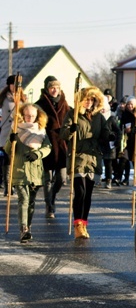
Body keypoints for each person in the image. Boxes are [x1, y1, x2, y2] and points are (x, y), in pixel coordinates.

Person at [60, 87, 111, 239]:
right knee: (80, 191)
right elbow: (63, 134)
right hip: (78, 156)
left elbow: (104, 132)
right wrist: (71, 130)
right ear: (80, 101)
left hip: (93, 158)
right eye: (86, 99)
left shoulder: (99, 117)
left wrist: (110, 136)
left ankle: (84, 223)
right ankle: (77, 224)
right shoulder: (73, 114)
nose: (89, 102)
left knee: (88, 193)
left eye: (91, 99)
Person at [5, 103, 51, 242]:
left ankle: (28, 227)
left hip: (35, 170)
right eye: (27, 115)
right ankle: (23, 228)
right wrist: (11, 141)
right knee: (23, 199)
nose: (30, 118)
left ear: (37, 116)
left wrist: (38, 154)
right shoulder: (16, 129)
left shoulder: (41, 131)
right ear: (23, 115)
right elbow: (8, 150)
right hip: (20, 169)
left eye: (32, 116)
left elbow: (48, 147)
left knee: (31, 201)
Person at [35, 75, 70, 218]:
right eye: (52, 87)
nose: (55, 90)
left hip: (61, 145)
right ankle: (49, 206)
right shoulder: (39, 105)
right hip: (47, 144)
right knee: (47, 179)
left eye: (57, 87)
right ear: (47, 89)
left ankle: (52, 197)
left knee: (61, 178)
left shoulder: (65, 104)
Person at [0, 75, 26, 197]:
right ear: (9, 85)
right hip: (5, 134)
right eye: (12, 85)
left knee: (16, 161)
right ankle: (8, 187)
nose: (14, 87)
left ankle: (14, 185)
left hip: (19, 134)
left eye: (16, 85)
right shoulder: (3, 99)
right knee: (7, 162)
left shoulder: (23, 100)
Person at [99, 97, 120, 189]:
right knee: (97, 162)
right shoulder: (97, 117)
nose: (102, 110)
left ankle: (108, 180)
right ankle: (97, 178)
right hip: (99, 143)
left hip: (109, 144)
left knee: (108, 164)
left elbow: (118, 131)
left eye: (104, 107)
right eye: (101, 108)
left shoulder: (111, 118)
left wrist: (115, 140)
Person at [116, 96, 136, 186]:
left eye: (131, 104)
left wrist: (132, 130)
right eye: (128, 104)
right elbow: (121, 125)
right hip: (125, 139)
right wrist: (124, 129)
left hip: (135, 140)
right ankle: (121, 177)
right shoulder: (124, 114)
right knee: (123, 159)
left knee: (134, 160)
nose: (129, 106)